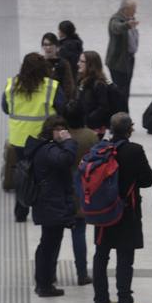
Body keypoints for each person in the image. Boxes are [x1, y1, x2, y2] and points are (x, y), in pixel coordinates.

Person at [92, 112, 152, 303]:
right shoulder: (135, 151)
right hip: (126, 212)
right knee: (125, 257)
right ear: (130, 129)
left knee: (101, 254)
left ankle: (101, 301)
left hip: (103, 210)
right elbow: (146, 180)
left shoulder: (99, 148)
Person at [2, 52, 66, 221]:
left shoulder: (12, 85)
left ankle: (20, 212)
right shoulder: (51, 87)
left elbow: (5, 108)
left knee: (23, 174)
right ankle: (41, 210)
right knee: (43, 175)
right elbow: (62, 109)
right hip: (42, 139)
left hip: (19, 138)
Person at [24, 115, 77, 298]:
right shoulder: (50, 150)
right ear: (50, 130)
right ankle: (44, 284)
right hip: (51, 203)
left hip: (49, 202)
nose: (61, 132)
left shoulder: (44, 147)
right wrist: (69, 141)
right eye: (58, 129)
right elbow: (66, 160)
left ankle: (44, 281)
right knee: (49, 244)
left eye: (64, 128)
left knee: (48, 243)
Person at [62, 99, 96, 285]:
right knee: (79, 232)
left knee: (54, 234)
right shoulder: (90, 136)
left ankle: (49, 272)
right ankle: (82, 273)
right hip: (83, 190)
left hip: (61, 189)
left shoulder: (61, 136)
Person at [105, 0, 138, 108]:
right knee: (120, 92)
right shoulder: (116, 19)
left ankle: (124, 113)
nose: (135, 11)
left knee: (126, 90)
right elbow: (116, 28)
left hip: (129, 60)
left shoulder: (131, 18)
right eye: (133, 9)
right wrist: (127, 25)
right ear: (126, 9)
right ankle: (120, 115)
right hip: (118, 62)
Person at [77, 50, 112, 134]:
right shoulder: (81, 80)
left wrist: (87, 120)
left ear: (90, 65)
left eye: (82, 61)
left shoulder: (99, 84)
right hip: (84, 126)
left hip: (94, 129)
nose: (78, 64)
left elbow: (103, 107)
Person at [41, 32, 76, 101]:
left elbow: (68, 85)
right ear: (42, 47)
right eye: (45, 45)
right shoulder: (39, 63)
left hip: (58, 99)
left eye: (51, 44)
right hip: (41, 100)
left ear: (57, 47)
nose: (48, 47)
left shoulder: (63, 63)